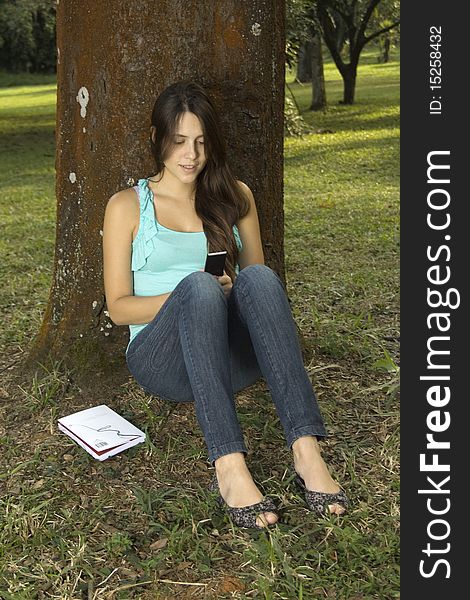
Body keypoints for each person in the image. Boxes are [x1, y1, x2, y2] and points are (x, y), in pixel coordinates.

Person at [102, 81, 348, 529]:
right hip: (165, 362)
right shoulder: (126, 206)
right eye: (178, 142)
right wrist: (197, 292)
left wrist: (230, 292)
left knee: (257, 276)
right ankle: (230, 467)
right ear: (156, 140)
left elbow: (261, 292)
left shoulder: (236, 196)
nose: (190, 155)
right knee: (197, 287)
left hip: (233, 359)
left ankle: (307, 452)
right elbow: (118, 308)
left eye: (200, 142)